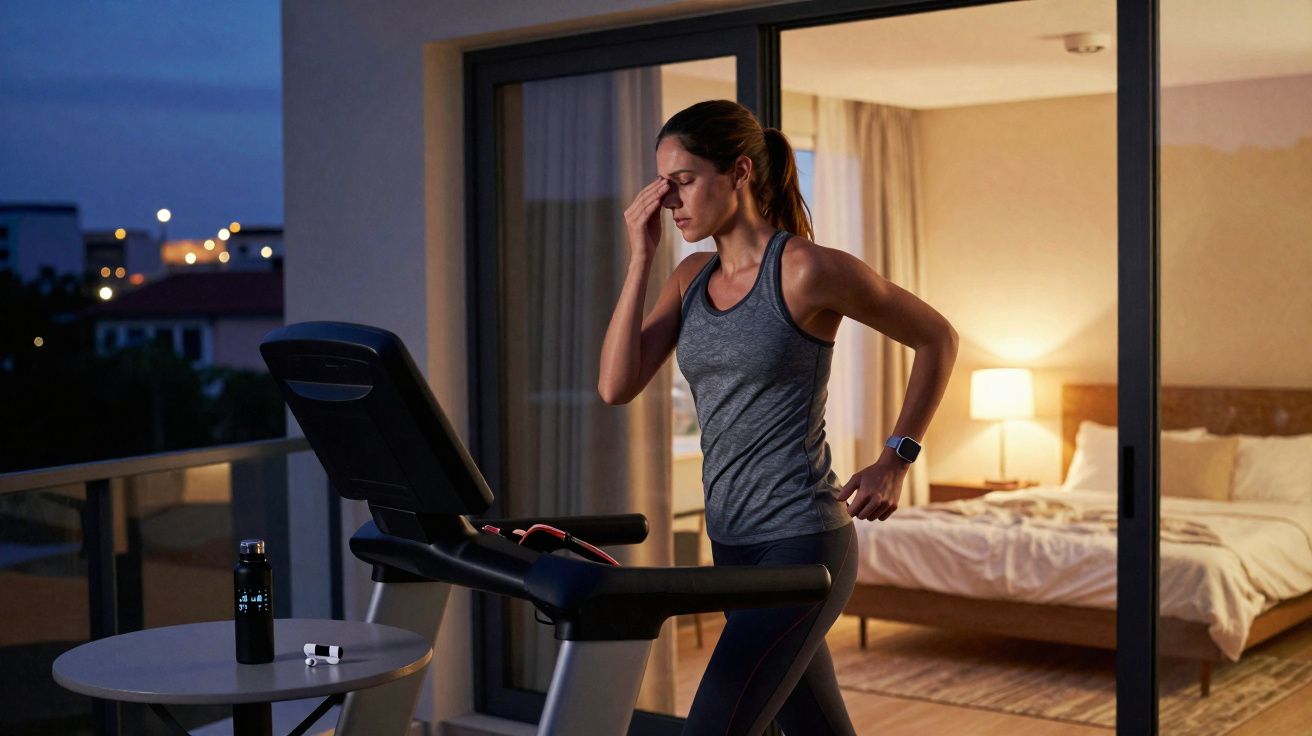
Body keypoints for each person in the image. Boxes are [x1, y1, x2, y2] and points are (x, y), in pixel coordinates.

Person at [598, 99, 959, 736]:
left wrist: (895, 458)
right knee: (814, 726)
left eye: (681, 182)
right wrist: (638, 256)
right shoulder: (689, 276)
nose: (669, 201)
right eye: (661, 185)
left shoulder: (807, 270)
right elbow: (616, 384)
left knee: (714, 727)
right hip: (732, 543)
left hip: (802, 538)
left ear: (738, 173)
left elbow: (937, 338)